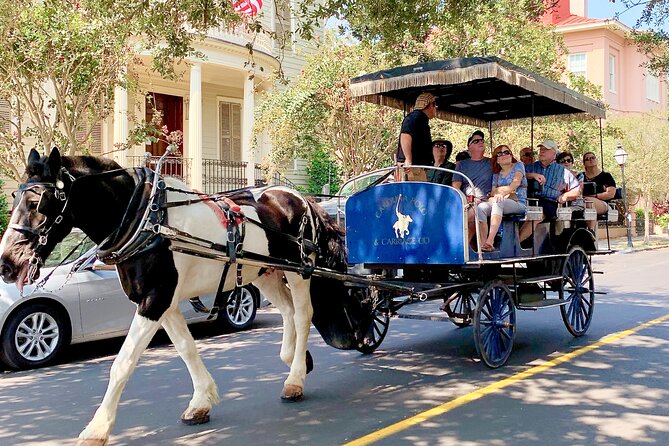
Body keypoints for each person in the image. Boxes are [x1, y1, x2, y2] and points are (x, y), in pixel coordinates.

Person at [519, 139, 580, 241]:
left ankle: (517, 244)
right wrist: (532, 175)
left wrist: (565, 196)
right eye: (541, 149)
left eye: (546, 149)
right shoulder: (530, 167)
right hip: (528, 200)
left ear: (554, 154)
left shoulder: (563, 171)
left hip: (549, 203)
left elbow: (576, 190)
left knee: (537, 214)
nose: (542, 151)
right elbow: (517, 177)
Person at [476, 145, 527, 251]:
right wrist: (500, 192)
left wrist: (501, 192)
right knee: (481, 208)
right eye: (500, 154)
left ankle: (490, 241)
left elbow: (515, 184)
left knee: (499, 202)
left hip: (518, 202)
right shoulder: (496, 175)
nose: (504, 155)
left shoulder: (518, 165)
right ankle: (482, 244)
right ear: (497, 160)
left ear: (511, 155)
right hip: (501, 201)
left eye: (507, 152)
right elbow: (493, 191)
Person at [452, 130, 494, 244]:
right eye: (476, 141)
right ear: (469, 146)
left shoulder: (492, 162)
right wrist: (465, 200)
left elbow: (515, 168)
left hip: (486, 200)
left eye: (482, 140)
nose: (480, 142)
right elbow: (455, 188)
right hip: (467, 201)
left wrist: (532, 174)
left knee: (469, 216)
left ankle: (461, 246)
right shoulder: (461, 164)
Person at [396, 92, 437, 181]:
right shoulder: (415, 117)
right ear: (430, 105)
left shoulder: (421, 119)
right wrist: (408, 160)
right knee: (414, 194)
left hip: (416, 168)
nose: (436, 108)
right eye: (434, 105)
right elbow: (405, 135)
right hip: (413, 168)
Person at [581, 151, 616, 216]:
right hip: (582, 202)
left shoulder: (606, 176)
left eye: (592, 158)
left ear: (596, 160)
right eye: (587, 159)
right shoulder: (581, 176)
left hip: (603, 204)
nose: (590, 160)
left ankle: (591, 226)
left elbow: (611, 194)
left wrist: (595, 196)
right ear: (584, 163)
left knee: (589, 202)